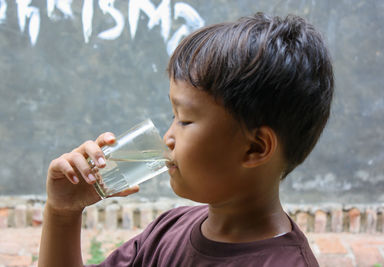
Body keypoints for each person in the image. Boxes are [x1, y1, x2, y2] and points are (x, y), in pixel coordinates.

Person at [39, 12, 333, 267]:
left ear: (254, 148)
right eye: (172, 116)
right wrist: (62, 213)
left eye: (185, 120)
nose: (168, 137)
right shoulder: (167, 232)